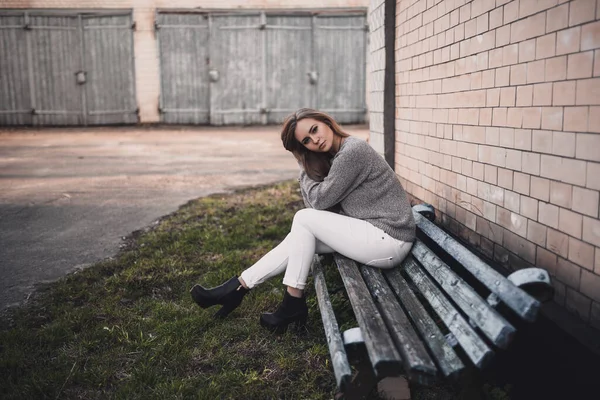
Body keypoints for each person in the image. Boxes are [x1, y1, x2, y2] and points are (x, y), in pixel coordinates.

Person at [190, 108, 416, 333]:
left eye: (315, 129)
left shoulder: (352, 151)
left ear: (326, 122)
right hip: (373, 233)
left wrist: (301, 162)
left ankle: (293, 300)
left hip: (389, 239)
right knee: (300, 234)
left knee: (303, 219)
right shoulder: (336, 156)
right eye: (307, 140)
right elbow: (318, 206)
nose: (315, 140)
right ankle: (236, 288)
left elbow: (318, 202)